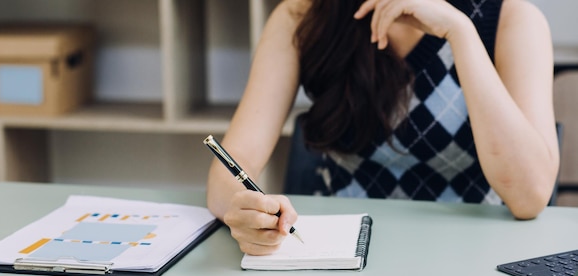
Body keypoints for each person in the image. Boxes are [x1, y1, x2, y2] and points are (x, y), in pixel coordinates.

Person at [206, 0, 558, 255]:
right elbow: (232, 164)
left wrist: (459, 31)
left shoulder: (511, 19)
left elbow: (529, 197)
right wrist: (243, 211)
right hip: (340, 254)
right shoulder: (302, 15)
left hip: (473, 255)